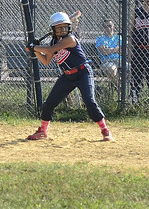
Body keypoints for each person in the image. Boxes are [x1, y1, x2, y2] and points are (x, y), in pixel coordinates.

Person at [27, 12, 113, 141]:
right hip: (67, 76)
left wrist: (36, 47)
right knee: (49, 103)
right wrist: (34, 50)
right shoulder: (53, 42)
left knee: (89, 101)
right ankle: (43, 131)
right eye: (58, 27)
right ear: (53, 29)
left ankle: (105, 130)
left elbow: (51, 50)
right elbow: (45, 60)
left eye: (64, 27)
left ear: (69, 28)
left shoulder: (70, 39)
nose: (62, 30)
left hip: (83, 72)